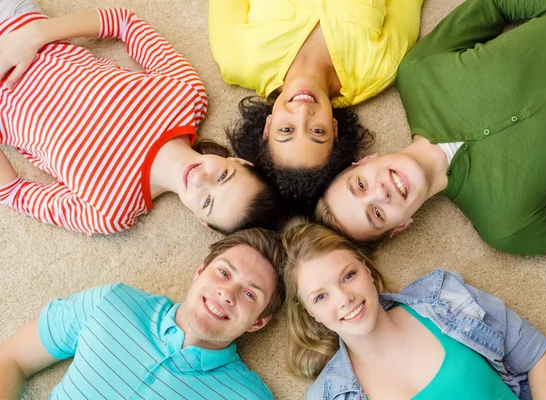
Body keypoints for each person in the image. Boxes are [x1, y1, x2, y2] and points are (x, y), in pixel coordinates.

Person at [316, 0, 546, 255]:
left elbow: (496, 4)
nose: (380, 193)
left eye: (361, 185)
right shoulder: (507, 226)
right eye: (377, 214)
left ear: (364, 161)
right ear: (400, 227)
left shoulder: (419, 72)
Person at [0, 3, 280, 236]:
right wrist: (33, 35)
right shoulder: (188, 97)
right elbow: (124, 23)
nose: (200, 180)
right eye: (223, 176)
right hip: (15, 21)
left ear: (202, 220)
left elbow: (13, 192)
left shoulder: (110, 212)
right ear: (238, 161)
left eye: (207, 201)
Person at [283, 224, 546, 400]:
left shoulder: (445, 297)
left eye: (348, 276)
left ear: (367, 270)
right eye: (321, 296)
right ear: (311, 314)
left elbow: (536, 355)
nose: (344, 298)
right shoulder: (327, 395)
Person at [0, 227, 286, 400]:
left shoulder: (248, 396)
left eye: (250, 294)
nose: (227, 293)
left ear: (259, 322)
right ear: (198, 273)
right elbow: (11, 359)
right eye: (223, 272)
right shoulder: (112, 302)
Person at [208, 0, 424, 214]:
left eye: (286, 130)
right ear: (335, 129)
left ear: (268, 126)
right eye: (317, 131)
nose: (303, 112)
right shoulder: (380, 69)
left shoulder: (236, 58)